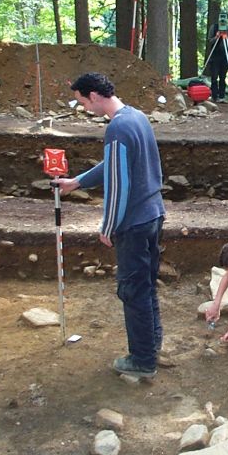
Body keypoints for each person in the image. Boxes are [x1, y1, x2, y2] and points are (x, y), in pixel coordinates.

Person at [58, 72, 166, 379]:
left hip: (133, 222)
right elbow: (114, 164)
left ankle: (143, 360)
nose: (83, 107)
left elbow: (119, 184)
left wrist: (108, 226)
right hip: (154, 214)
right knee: (145, 285)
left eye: (82, 101)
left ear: (93, 96)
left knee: (132, 290)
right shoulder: (137, 117)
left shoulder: (117, 128)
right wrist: (77, 182)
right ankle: (152, 343)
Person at [206, 12, 228, 102]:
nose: (222, 21)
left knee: (223, 77)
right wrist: (217, 36)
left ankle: (222, 96)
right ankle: (214, 96)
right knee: (214, 77)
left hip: (224, 57)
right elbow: (210, 41)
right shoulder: (214, 27)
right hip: (215, 56)